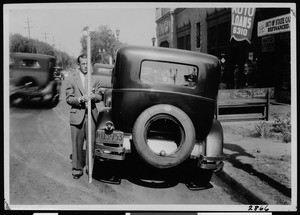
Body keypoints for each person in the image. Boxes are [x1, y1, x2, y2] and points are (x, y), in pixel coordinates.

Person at [65, 54, 102, 179]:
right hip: (77, 116)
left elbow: (99, 96)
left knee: (91, 144)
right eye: (83, 64)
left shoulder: (94, 79)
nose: (86, 66)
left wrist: (94, 97)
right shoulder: (71, 79)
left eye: (88, 63)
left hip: (91, 115)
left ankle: (90, 168)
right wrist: (81, 99)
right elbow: (69, 99)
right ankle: (77, 169)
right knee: (77, 143)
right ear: (79, 65)